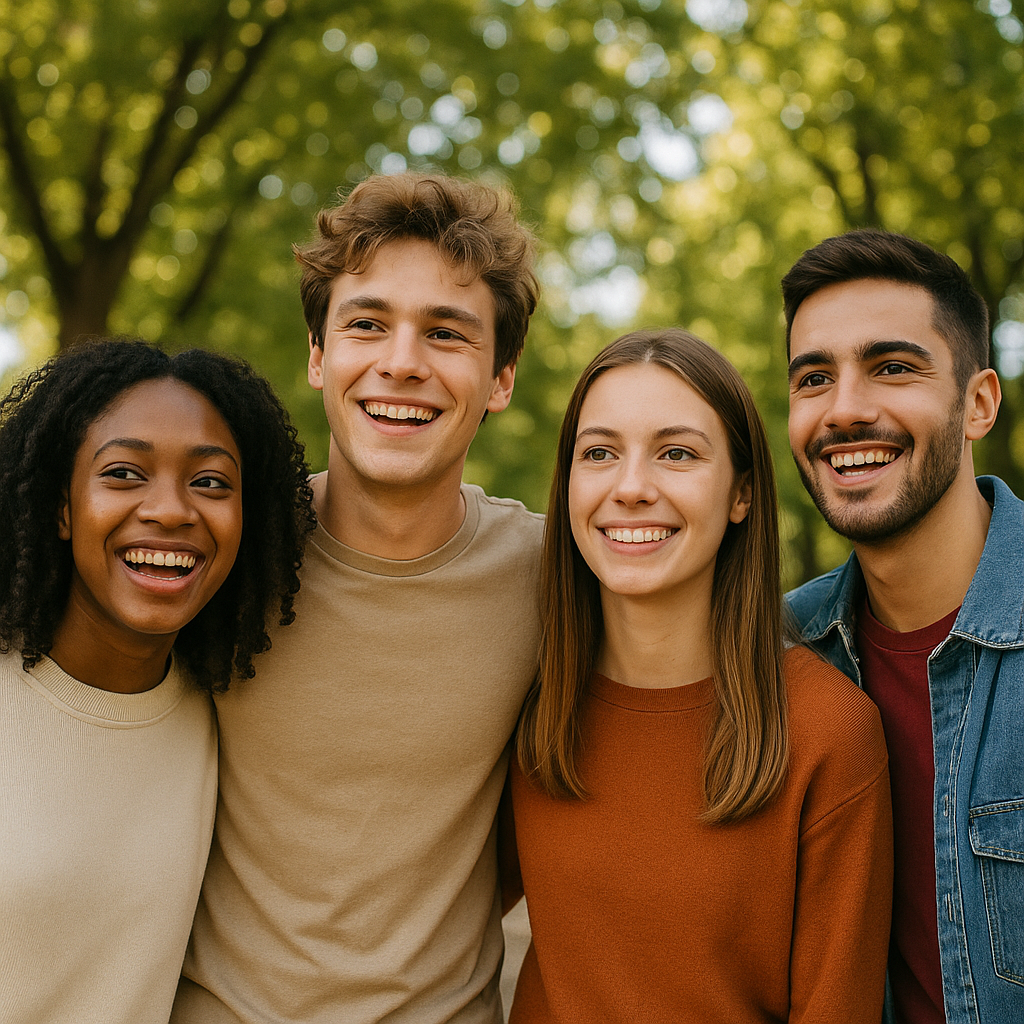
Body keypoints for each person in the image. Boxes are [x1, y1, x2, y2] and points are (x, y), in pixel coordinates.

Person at [173, 172, 544, 1024]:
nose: (401, 362)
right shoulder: (224, 553)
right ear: (318, 356)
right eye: (367, 324)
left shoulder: (551, 576)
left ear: (501, 378)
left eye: (446, 333)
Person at [505, 328, 892, 1023]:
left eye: (676, 453)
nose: (630, 488)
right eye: (599, 453)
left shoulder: (828, 730)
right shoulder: (528, 707)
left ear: (742, 494)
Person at [0, 339, 315, 1024]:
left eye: (211, 483)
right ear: (61, 507)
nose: (171, 510)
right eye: (123, 473)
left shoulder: (221, 719)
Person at [784, 229, 1023, 1024]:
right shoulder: (780, 654)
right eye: (814, 378)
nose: (846, 409)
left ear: (978, 404)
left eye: (892, 367)